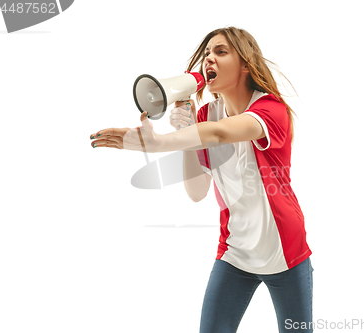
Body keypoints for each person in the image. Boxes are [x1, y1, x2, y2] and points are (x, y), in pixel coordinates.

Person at [90, 26, 313, 333]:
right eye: (207, 53)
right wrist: (188, 135)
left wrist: (159, 143)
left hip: (285, 253)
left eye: (221, 52)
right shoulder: (207, 114)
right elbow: (197, 191)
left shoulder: (270, 109)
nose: (209, 59)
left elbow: (221, 132)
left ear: (246, 64)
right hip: (234, 253)